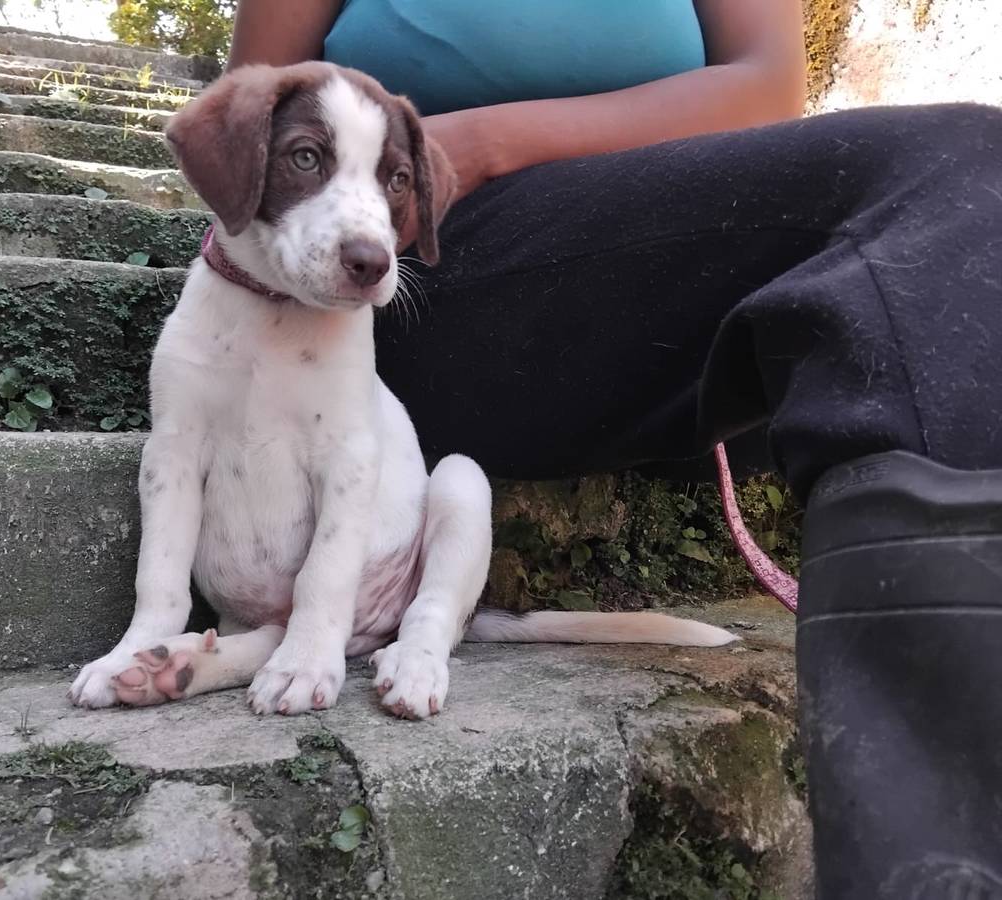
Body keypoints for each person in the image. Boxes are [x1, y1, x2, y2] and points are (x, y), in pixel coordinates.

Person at [225, 2, 1002, 896]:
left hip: (663, 280)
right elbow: (249, 123)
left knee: (968, 167)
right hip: (415, 266)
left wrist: (484, 140)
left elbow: (768, 85)